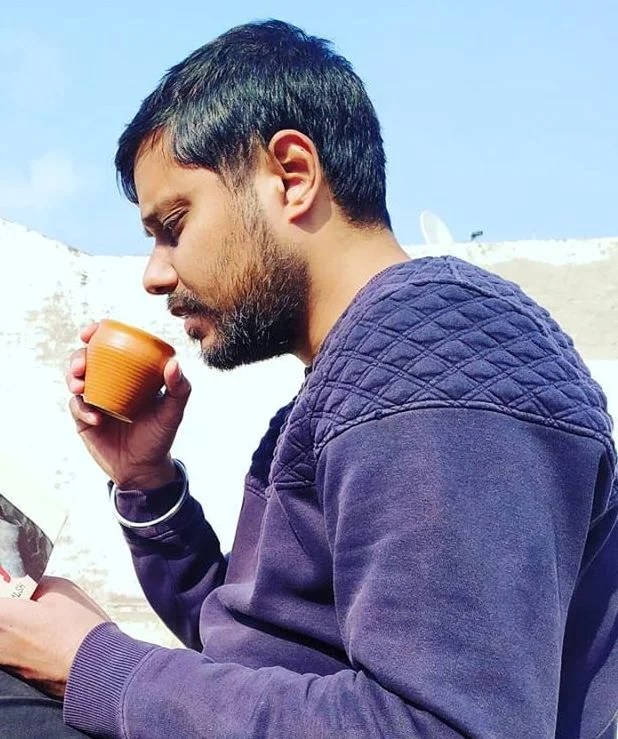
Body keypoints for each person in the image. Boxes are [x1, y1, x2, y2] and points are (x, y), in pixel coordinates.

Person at [0, 18, 615, 739]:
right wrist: (147, 483)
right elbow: (259, 646)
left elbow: (442, 725)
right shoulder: (367, 367)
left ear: (292, 176)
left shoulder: (438, 358)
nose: (155, 274)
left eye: (175, 224)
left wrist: (95, 664)